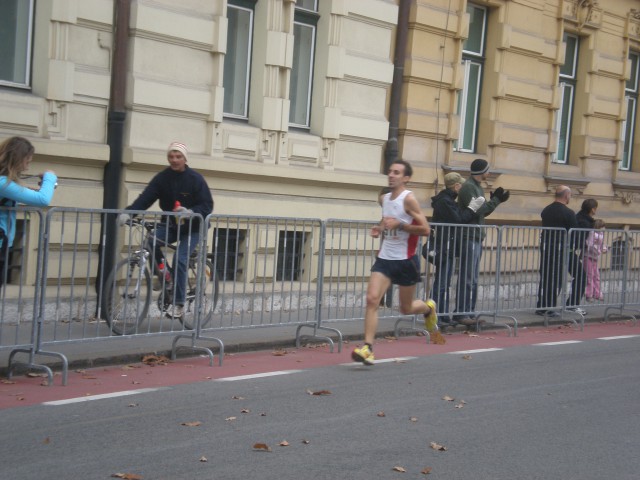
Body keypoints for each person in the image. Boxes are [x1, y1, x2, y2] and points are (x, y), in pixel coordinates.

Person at [352, 159, 436, 365]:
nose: (391, 175)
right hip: (385, 258)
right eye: (390, 171)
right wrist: (379, 228)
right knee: (372, 299)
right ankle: (368, 348)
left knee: (405, 308)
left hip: (406, 260)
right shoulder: (385, 198)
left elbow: (426, 229)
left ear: (406, 178)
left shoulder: (409, 199)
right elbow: (387, 218)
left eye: (397, 172)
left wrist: (401, 225)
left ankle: (428, 308)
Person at [117, 142, 214, 318]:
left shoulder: (195, 179)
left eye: (178, 157)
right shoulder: (163, 178)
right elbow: (146, 198)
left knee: (180, 258)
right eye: (171, 156)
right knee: (150, 241)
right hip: (172, 225)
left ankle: (179, 303)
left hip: (194, 227)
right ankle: (166, 278)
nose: (174, 160)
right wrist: (129, 213)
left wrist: (191, 212)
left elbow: (207, 205)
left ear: (185, 159)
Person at [454, 159, 509, 325]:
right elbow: (478, 210)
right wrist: (495, 201)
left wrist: (493, 202)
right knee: (468, 277)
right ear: (481, 171)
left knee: (473, 278)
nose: (489, 173)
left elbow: (481, 212)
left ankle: (469, 312)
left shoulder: (477, 187)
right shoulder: (470, 187)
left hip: (476, 236)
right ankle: (462, 313)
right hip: (469, 236)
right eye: (487, 170)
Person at [429, 172, 485, 329]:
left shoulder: (446, 200)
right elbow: (459, 219)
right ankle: (436, 316)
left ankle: (443, 316)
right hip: (444, 246)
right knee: (441, 283)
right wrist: (472, 208)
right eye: (461, 185)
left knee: (444, 282)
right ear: (456, 186)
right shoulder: (445, 201)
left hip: (448, 245)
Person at [0, 136, 57, 287]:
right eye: (27, 161)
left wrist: (28, 190)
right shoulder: (2, 183)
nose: (27, 167)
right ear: (16, 158)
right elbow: (43, 200)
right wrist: (50, 176)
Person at [536, 185, 583, 316]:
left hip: (546, 247)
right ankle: (548, 308)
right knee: (555, 279)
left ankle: (541, 306)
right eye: (570, 195)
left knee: (545, 277)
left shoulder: (546, 210)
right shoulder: (568, 213)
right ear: (566, 195)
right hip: (560, 248)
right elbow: (574, 232)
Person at [584, 219, 607, 302]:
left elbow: (602, 244)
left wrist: (604, 249)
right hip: (588, 256)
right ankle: (589, 294)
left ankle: (597, 293)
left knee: (596, 276)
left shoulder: (601, 234)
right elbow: (589, 244)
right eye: (603, 226)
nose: (604, 228)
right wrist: (599, 251)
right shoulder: (592, 233)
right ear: (599, 226)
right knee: (590, 275)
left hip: (595, 258)